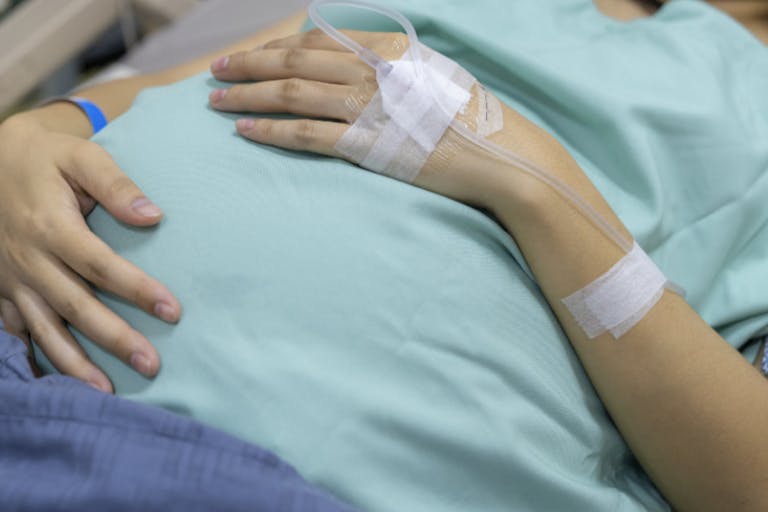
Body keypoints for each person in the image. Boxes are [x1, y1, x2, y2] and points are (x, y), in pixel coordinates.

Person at [0, 1, 767, 510]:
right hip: (28, 347)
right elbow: (219, 73)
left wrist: (531, 179)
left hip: (299, 467)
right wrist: (39, 130)